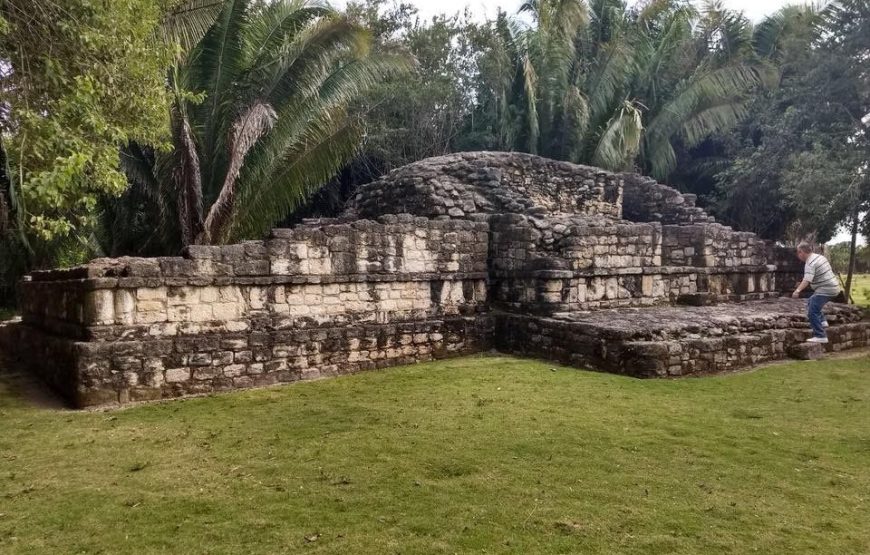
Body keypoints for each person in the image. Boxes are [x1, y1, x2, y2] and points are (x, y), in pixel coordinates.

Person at [792, 242, 842, 344]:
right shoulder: (819, 257)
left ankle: (820, 335)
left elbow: (807, 280)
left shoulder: (810, 263)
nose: (798, 256)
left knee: (812, 311)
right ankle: (823, 322)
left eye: (798, 253)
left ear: (801, 252)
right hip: (833, 287)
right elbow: (815, 275)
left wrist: (797, 291)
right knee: (812, 301)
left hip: (826, 289)